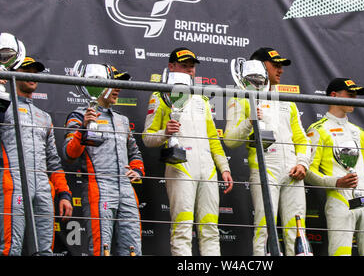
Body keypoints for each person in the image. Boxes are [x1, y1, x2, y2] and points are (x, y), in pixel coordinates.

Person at [143, 47, 233, 256]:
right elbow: (147, 138)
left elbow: (213, 138)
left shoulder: (201, 99)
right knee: (182, 229)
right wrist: (165, 133)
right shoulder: (160, 96)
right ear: (171, 67)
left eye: (192, 67)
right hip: (180, 168)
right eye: (184, 66)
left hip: (208, 170)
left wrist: (225, 168)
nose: (189, 71)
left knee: (210, 229)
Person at [224, 47, 310, 256]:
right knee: (264, 229)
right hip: (265, 169)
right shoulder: (241, 96)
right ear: (260, 66)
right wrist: (249, 122)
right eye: (276, 65)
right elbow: (230, 140)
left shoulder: (286, 100)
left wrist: (303, 163)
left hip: (293, 171)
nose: (280, 70)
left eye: (282, 65)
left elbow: (301, 139)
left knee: (297, 231)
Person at [63, 65, 144, 256]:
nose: (117, 88)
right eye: (113, 83)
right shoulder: (79, 115)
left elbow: (135, 153)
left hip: (126, 190)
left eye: (118, 84)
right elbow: (69, 154)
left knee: (134, 249)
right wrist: (83, 128)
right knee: (101, 250)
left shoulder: (122, 120)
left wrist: (137, 171)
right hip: (98, 187)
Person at [305, 78, 364, 256]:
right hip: (340, 199)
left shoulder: (358, 131)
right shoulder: (318, 130)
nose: (354, 98)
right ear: (334, 96)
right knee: (340, 253)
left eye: (355, 95)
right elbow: (308, 171)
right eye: (350, 94)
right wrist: (336, 182)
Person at [0, 57, 73, 256]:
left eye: (35, 72)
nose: (33, 76)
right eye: (27, 71)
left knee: (44, 250)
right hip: (12, 181)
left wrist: (64, 194)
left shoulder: (44, 116)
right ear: (13, 73)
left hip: (42, 187)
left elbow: (53, 161)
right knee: (10, 247)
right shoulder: (4, 108)